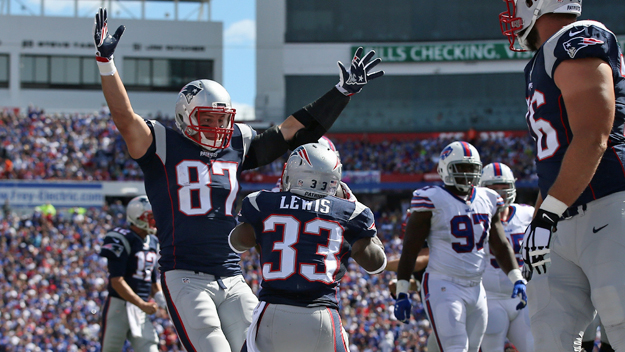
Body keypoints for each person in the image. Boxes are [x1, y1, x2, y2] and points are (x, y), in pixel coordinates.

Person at [92, 7, 383, 352]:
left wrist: (341, 92)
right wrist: (105, 64)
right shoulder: (163, 145)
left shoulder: (236, 144)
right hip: (183, 273)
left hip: (231, 275)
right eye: (209, 119)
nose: (218, 129)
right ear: (185, 115)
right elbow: (125, 118)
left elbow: (292, 131)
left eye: (222, 120)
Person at [500, 0, 625, 350]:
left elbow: (593, 135)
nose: (511, 12)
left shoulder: (578, 37)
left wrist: (546, 216)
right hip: (561, 217)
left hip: (609, 202)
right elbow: (555, 163)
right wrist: (539, 220)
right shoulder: (541, 60)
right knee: (551, 337)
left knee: (620, 323)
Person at [229, 143, 387, 352]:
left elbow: (236, 242)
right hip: (321, 315)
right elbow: (377, 264)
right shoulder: (351, 212)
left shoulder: (262, 202)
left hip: (272, 313)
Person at [393, 141, 527, 352]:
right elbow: (410, 248)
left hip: (477, 287)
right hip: (443, 284)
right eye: (460, 168)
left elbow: (500, 244)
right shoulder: (431, 199)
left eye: (471, 168)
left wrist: (516, 277)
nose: (466, 174)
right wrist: (402, 290)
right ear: (445, 168)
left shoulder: (488, 198)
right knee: (456, 348)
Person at [479, 163, 535, 352]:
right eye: (493, 188)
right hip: (489, 298)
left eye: (504, 187)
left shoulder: (528, 214)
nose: (499, 193)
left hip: (524, 296)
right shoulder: (475, 216)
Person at [99, 195, 166, 352]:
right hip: (119, 307)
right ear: (138, 217)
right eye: (150, 216)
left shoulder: (152, 241)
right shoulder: (120, 237)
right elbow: (116, 280)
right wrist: (141, 304)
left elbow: (151, 280)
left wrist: (164, 303)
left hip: (140, 309)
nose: (154, 220)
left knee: (150, 348)